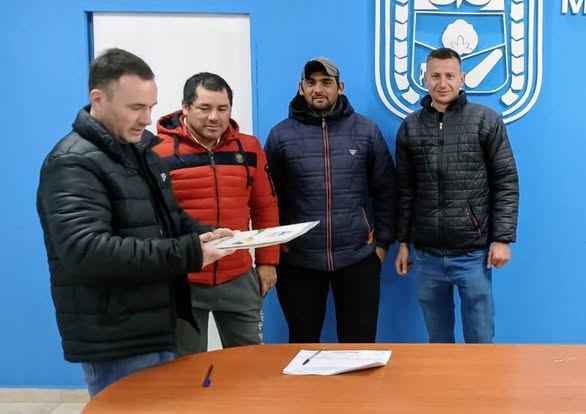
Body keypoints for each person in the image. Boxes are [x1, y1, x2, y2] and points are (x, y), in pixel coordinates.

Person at [36, 48, 234, 397]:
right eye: (135, 107)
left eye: (151, 107)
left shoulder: (139, 150)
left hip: (155, 322)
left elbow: (167, 218)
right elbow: (87, 250)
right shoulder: (72, 163)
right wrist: (188, 252)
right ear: (98, 98)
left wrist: (204, 235)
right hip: (115, 335)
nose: (146, 119)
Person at [264, 57, 396, 343]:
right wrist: (278, 247)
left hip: (358, 258)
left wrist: (382, 245)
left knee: (360, 348)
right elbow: (268, 197)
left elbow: (386, 190)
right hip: (299, 261)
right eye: (311, 83)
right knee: (302, 345)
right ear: (301, 88)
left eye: (326, 82)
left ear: (340, 87)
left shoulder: (366, 131)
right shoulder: (280, 135)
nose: (318, 89)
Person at [394, 47, 519, 343]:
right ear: (425, 79)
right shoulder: (410, 127)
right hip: (426, 256)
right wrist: (403, 242)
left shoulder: (485, 121)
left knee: (480, 341)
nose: (442, 83)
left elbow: (505, 181)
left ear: (462, 79)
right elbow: (405, 190)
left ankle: (482, 378)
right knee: (438, 343)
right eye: (435, 76)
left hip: (473, 255)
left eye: (450, 76)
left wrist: (502, 239)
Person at [154, 72, 279, 355]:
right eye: (205, 108)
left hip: (238, 276)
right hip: (183, 279)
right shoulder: (156, 152)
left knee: (250, 364)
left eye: (223, 109)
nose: (214, 117)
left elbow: (265, 205)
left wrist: (268, 261)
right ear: (185, 107)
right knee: (187, 368)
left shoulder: (249, 147)